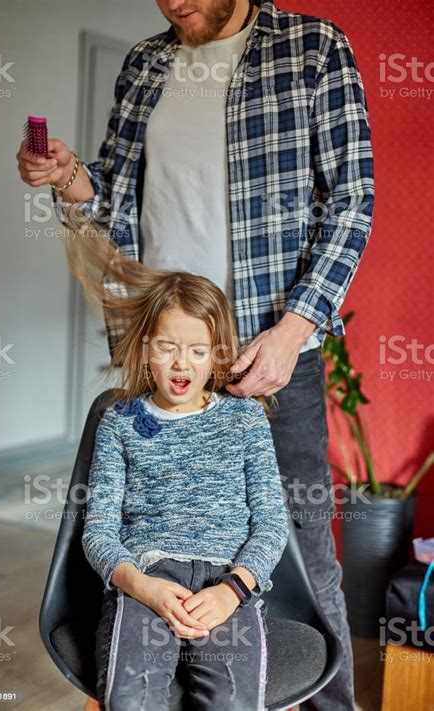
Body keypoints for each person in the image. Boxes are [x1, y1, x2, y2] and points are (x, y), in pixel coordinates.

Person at [17, 2, 375, 708]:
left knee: (307, 548)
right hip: (165, 360)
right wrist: (69, 176)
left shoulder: (312, 49)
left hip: (272, 353)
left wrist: (295, 328)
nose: (176, 0)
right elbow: (116, 207)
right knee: (142, 522)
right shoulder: (145, 65)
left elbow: (352, 202)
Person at [61, 224, 289, 710]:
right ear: (146, 347)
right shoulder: (119, 422)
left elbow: (271, 523)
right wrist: (141, 585)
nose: (181, 364)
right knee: (132, 699)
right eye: (167, 347)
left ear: (217, 356)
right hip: (145, 579)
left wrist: (233, 590)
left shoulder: (246, 419)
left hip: (225, 582)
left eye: (198, 350)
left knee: (230, 702)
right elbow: (97, 530)